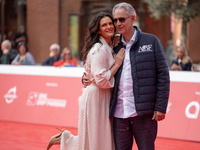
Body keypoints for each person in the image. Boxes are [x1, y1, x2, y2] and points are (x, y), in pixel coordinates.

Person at [83, 2, 170, 150]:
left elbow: (163, 75)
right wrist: (85, 78)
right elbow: (97, 65)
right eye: (115, 20)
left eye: (121, 19)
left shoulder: (151, 41)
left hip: (144, 113)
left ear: (133, 18)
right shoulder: (113, 45)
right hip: (118, 115)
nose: (117, 23)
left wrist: (160, 106)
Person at [46, 12, 125, 150]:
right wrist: (117, 63)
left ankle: (65, 138)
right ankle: (66, 138)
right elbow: (100, 79)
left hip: (101, 96)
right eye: (104, 25)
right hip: (96, 96)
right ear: (98, 29)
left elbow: (92, 72)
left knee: (94, 140)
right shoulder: (99, 49)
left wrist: (118, 37)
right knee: (94, 141)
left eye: (110, 24)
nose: (109, 27)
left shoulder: (107, 45)